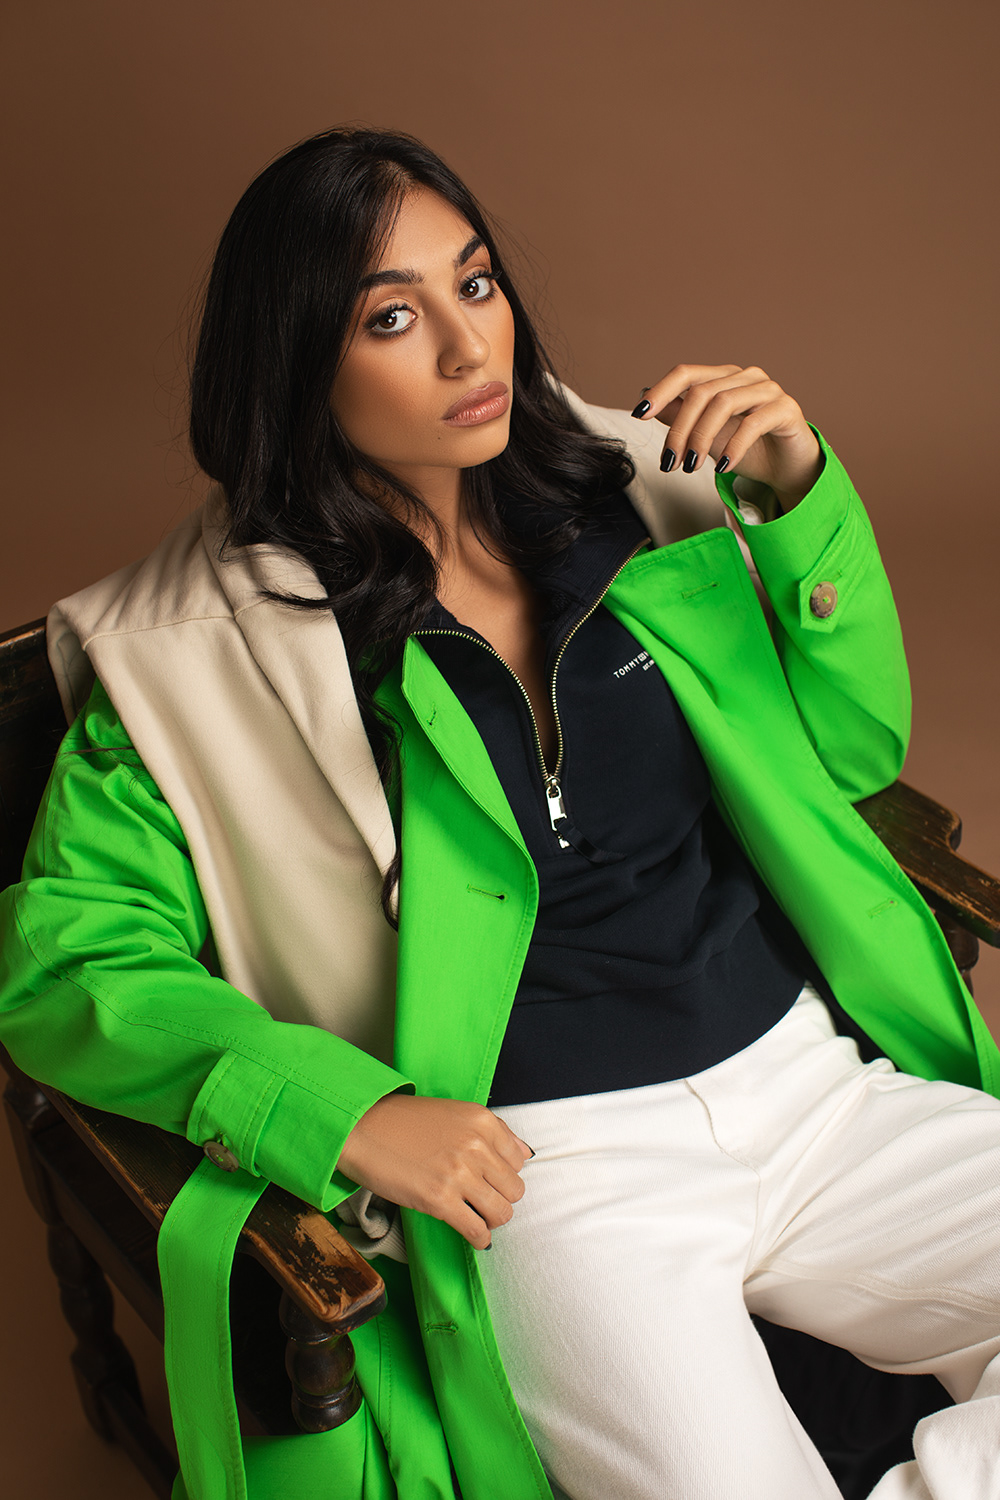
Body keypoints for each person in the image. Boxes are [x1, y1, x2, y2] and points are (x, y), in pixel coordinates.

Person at [1, 125, 999, 1500]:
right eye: (392, 318)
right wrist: (346, 1114)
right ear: (294, 366)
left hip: (811, 1085)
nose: (470, 346)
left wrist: (797, 495)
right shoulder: (195, 656)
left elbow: (852, 745)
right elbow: (67, 958)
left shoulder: (647, 487)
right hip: (556, 1175)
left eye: (475, 284)